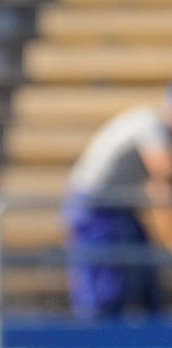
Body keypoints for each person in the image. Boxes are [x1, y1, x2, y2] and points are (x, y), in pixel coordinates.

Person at [64, 86, 172, 317]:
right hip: (96, 206)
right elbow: (162, 170)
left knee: (142, 266)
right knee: (106, 279)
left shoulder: (157, 128)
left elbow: (159, 189)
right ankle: (97, 331)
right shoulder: (149, 123)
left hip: (117, 206)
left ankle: (143, 322)